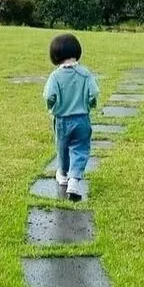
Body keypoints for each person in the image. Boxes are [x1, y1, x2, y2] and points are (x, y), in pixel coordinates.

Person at [43, 33, 99, 201]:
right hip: (82, 118)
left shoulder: (55, 76)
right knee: (80, 149)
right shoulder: (85, 73)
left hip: (62, 120)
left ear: (55, 56)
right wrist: (91, 104)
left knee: (62, 147)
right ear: (77, 52)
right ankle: (74, 180)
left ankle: (62, 173)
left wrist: (51, 107)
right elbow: (94, 93)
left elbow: (48, 96)